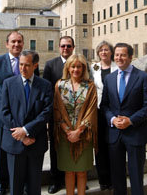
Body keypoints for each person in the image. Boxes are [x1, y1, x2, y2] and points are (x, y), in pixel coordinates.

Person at [100, 43, 147, 195]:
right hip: (114, 135)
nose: (119, 58)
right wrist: (112, 119)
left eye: (123, 55)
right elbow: (104, 105)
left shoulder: (143, 77)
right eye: (117, 55)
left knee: (136, 176)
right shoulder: (109, 79)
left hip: (135, 133)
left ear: (131, 57)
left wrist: (130, 120)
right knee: (117, 177)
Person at [1, 50, 53, 195]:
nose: (23, 68)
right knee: (15, 188)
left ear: (35, 65)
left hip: (35, 143)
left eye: (27, 65)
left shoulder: (45, 86)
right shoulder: (8, 84)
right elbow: (4, 112)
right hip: (14, 143)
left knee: (34, 188)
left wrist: (26, 130)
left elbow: (46, 113)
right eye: (21, 64)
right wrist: (22, 135)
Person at [53, 54, 97, 195]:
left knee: (82, 172)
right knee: (69, 171)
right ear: (68, 68)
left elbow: (92, 110)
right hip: (65, 135)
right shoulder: (60, 85)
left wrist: (79, 131)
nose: (76, 69)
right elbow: (56, 110)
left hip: (83, 134)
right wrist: (67, 131)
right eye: (73, 66)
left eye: (79, 66)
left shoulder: (90, 86)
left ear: (83, 68)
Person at [0, 31, 24, 195]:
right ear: (7, 44)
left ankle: (18, 183)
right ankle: (1, 185)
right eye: (13, 42)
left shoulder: (27, 61)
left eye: (19, 42)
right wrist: (5, 100)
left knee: (21, 149)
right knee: (2, 150)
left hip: (22, 115)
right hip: (2, 114)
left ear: (23, 44)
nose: (16, 44)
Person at [43, 36, 75, 194]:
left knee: (74, 146)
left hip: (76, 114)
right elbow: (46, 90)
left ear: (73, 47)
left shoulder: (80, 63)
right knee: (56, 148)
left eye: (69, 46)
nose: (66, 49)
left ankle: (75, 178)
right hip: (56, 114)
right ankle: (56, 180)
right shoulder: (50, 65)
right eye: (63, 46)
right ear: (59, 47)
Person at [90, 40, 117, 191]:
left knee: (112, 145)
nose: (104, 52)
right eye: (101, 50)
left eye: (106, 50)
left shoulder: (116, 67)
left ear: (111, 52)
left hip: (113, 110)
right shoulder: (94, 67)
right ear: (98, 53)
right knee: (99, 145)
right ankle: (103, 180)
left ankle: (114, 178)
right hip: (98, 110)